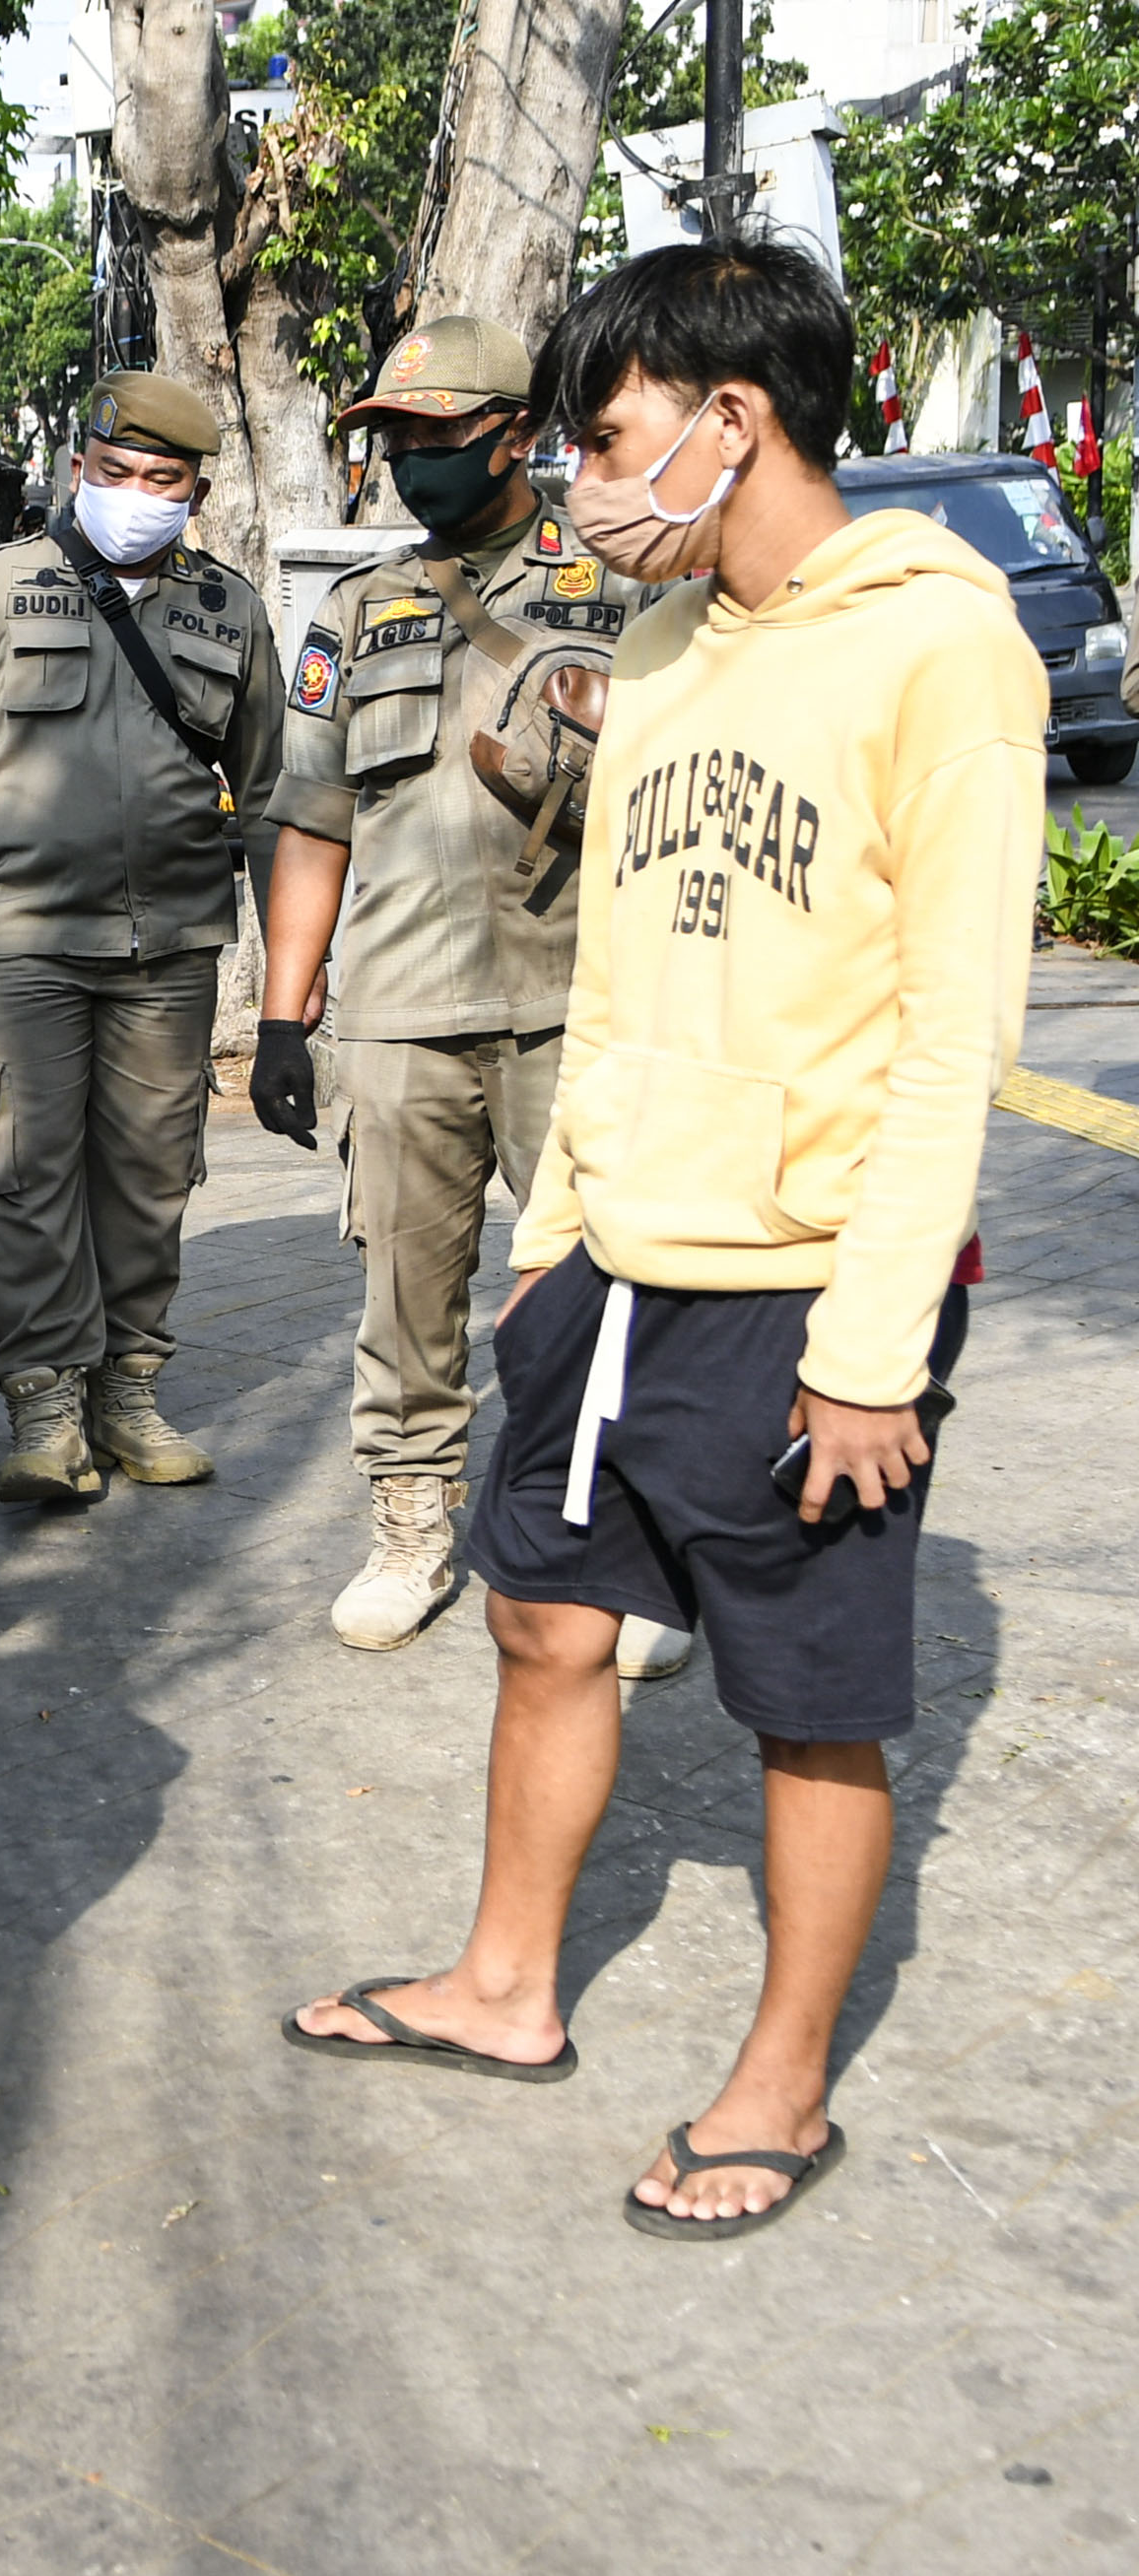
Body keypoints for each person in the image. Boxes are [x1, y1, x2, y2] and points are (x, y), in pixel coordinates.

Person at [287, 238, 1041, 2236]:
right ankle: (504, 1984)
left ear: (733, 417)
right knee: (540, 1620)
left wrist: (871, 1348)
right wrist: (560, 1236)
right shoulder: (660, 648)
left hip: (808, 1285)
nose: (589, 481)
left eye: (609, 438)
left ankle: (782, 2087)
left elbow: (956, 1030)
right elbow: (614, 976)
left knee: (807, 1702)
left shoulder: (939, 646)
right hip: (613, 1262)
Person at [252, 313, 694, 1664]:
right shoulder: (356, 610)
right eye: (394, 436)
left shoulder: (630, 591)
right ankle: (410, 1525)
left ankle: (636, 1547)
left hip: (582, 1008)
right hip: (401, 1016)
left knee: (612, 1284)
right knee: (405, 1295)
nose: (411, 460)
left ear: (515, 435)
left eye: (436, 433)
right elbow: (312, 822)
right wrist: (282, 1014)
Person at [0, 375, 286, 1504]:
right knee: (28, 1172)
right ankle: (45, 1410)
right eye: (115, 471)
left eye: (161, 479)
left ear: (195, 494)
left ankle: (129, 1394)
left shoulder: (230, 611)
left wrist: (298, 967)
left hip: (172, 941)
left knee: (149, 1176)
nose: (134, 494)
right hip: (21, 933)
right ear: (80, 467)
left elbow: (270, 796)